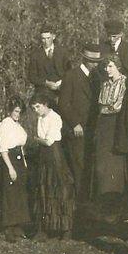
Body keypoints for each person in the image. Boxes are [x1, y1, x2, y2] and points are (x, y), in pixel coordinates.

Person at [93, 54, 128, 218]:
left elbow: (118, 108)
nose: (107, 69)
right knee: (103, 167)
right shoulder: (104, 84)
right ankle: (107, 205)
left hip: (119, 127)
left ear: (118, 66)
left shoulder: (126, 84)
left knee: (117, 167)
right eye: (105, 66)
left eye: (110, 66)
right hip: (104, 128)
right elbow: (102, 107)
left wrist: (108, 109)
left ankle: (120, 206)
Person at [29, 91, 76, 240]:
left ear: (45, 104)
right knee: (44, 188)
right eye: (34, 108)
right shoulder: (40, 118)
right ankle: (45, 229)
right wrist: (39, 139)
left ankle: (65, 229)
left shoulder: (55, 117)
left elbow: (48, 141)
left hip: (54, 155)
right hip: (44, 155)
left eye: (37, 107)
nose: (36, 110)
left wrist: (36, 139)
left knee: (58, 188)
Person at [59, 43, 101, 198]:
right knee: (79, 166)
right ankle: (80, 202)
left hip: (93, 129)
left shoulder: (97, 77)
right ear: (84, 59)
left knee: (91, 165)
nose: (95, 64)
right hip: (77, 130)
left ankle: (90, 200)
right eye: (92, 61)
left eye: (97, 61)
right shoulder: (71, 76)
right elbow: (63, 104)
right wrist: (75, 123)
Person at [0, 97, 32, 242]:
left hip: (19, 159)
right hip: (9, 160)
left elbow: (21, 146)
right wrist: (10, 168)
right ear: (10, 110)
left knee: (19, 193)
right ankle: (8, 228)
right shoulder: (5, 125)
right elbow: (3, 149)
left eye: (20, 111)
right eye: (16, 111)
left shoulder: (17, 125)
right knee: (10, 194)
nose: (18, 114)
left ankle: (17, 225)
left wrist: (23, 163)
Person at [26, 25, 70, 103]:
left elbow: (69, 72)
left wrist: (61, 83)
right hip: (43, 92)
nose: (46, 41)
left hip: (62, 90)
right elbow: (32, 76)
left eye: (48, 38)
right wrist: (46, 83)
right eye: (43, 38)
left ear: (53, 37)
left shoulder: (63, 52)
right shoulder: (35, 55)